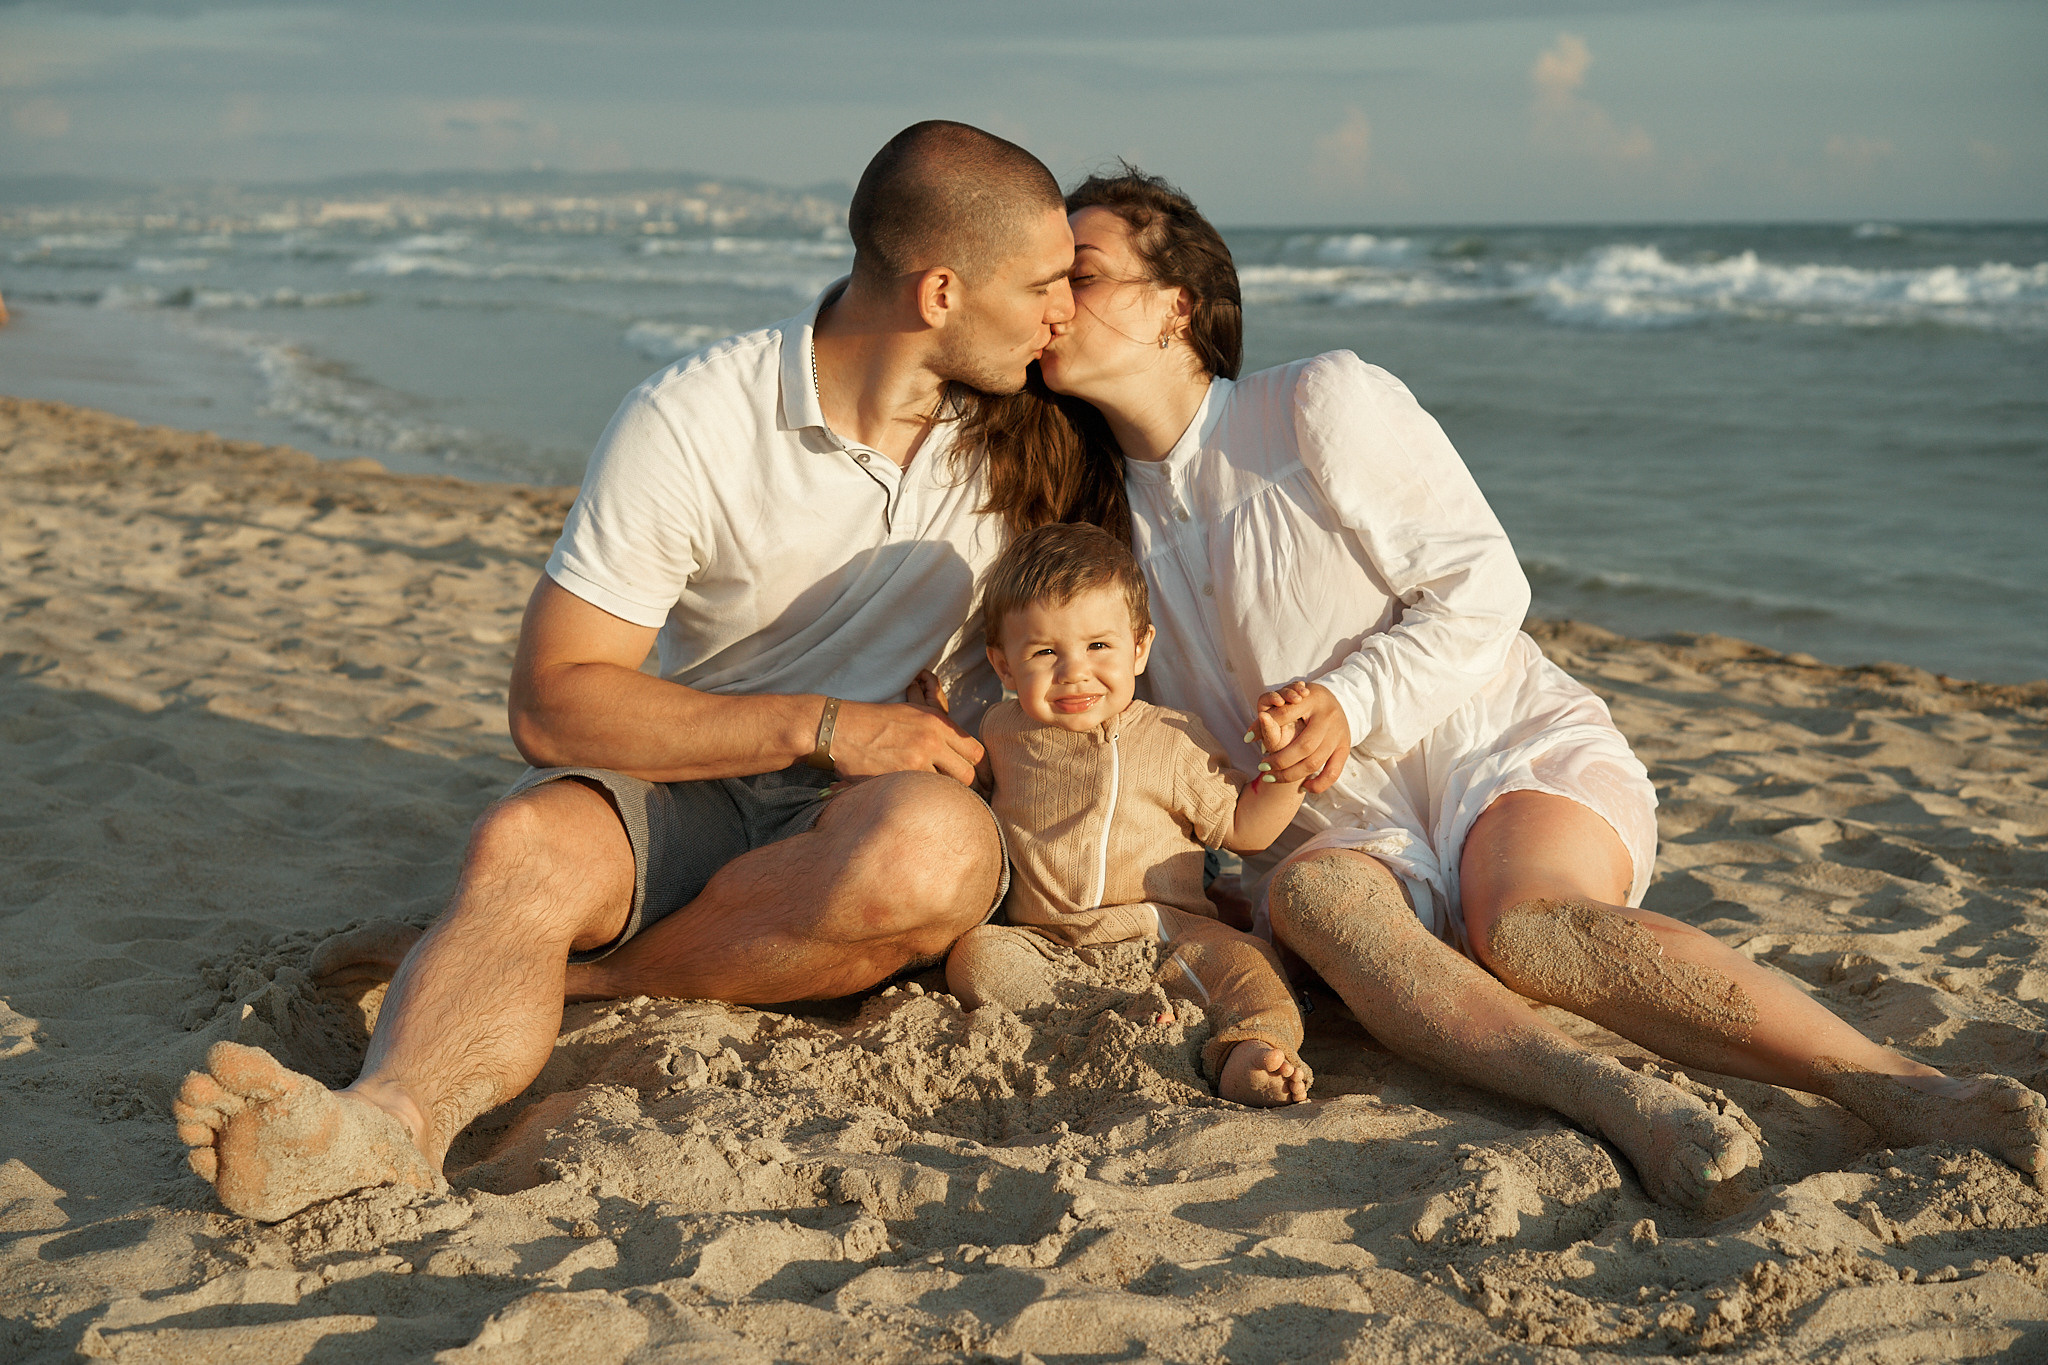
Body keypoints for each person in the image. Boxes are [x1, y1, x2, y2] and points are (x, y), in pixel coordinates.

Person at [961, 166, 2048, 1210]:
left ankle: (1902, 1090)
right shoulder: (1094, 539)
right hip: (1331, 826)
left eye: (1084, 272)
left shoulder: (1313, 405)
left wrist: (1348, 700)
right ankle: (1616, 1099)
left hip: (1491, 744)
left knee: (1522, 929)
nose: (1055, 302)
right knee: (1315, 900)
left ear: (1174, 306)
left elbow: (1485, 586)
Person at [172, 121, 1078, 1223]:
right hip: (709, 766)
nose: (1061, 312)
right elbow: (553, 699)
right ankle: (386, 1124)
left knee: (927, 858)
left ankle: (560, 975)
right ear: (940, 292)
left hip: (885, 809)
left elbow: (1196, 414)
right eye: (1040, 284)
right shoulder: (695, 419)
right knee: (525, 842)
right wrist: (830, 726)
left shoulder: (1036, 425)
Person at [946, 521, 1312, 1106]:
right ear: (1005, 666)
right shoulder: (1000, 732)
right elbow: (967, 796)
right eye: (1045, 652)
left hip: (1166, 932)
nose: (1074, 672)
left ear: (1139, 647)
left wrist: (1283, 770)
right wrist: (935, 727)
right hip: (1047, 941)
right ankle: (1116, 1019)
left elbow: (1244, 829)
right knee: (977, 960)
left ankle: (1253, 1052)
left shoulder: (1170, 738)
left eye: (1099, 646)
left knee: (1249, 968)